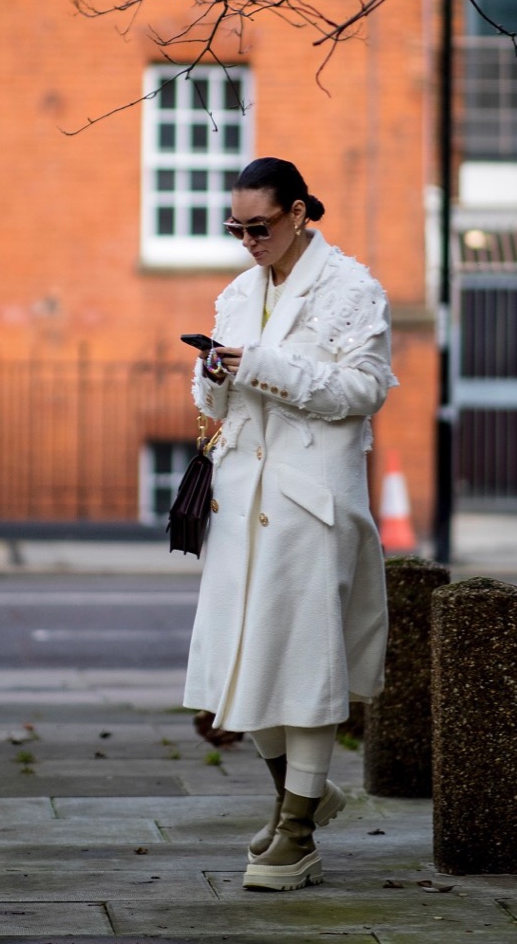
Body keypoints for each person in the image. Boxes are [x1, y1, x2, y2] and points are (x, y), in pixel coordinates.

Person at [183, 156, 397, 892]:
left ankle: (298, 829)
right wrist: (212, 376)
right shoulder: (238, 291)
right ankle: (297, 796)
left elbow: (363, 390)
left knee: (304, 662)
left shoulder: (352, 289)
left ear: (300, 211)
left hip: (311, 502)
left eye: (259, 225)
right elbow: (215, 407)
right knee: (244, 661)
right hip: (239, 501)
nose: (247, 239)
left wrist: (261, 366)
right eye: (235, 226)